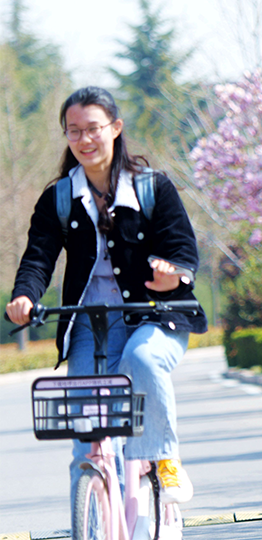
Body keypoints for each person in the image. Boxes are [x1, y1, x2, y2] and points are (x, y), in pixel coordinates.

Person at [5, 87, 206, 515]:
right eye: (73, 131)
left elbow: (183, 250)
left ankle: (165, 460)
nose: (84, 139)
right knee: (88, 439)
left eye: (93, 128)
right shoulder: (58, 198)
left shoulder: (152, 188)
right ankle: (94, 519)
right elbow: (38, 258)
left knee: (142, 361)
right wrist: (24, 295)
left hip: (155, 317)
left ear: (115, 128)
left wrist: (173, 275)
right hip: (87, 325)